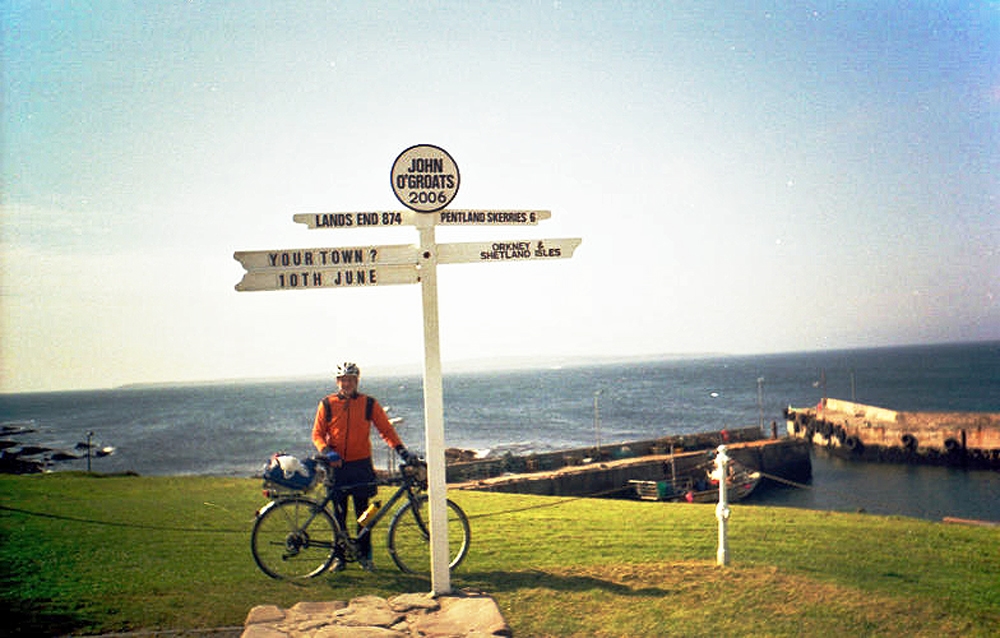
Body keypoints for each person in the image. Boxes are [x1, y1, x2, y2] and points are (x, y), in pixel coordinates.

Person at [312, 361, 414, 571]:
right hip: (336, 466)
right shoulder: (327, 404)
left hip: (361, 466)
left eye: (350, 380)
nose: (346, 384)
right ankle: (340, 558)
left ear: (356, 382)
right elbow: (317, 434)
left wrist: (401, 451)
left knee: (364, 515)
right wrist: (326, 451)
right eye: (343, 380)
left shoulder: (369, 404)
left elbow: (386, 430)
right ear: (338, 382)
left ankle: (365, 556)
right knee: (339, 514)